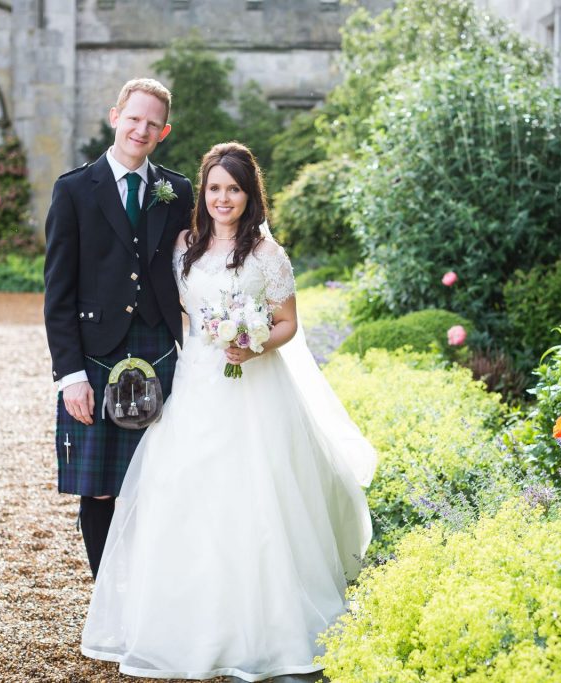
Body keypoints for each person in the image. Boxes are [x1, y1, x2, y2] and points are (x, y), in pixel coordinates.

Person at [80, 142, 376, 681]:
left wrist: (254, 343)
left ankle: (261, 623)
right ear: (204, 192)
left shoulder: (266, 254)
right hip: (196, 381)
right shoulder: (184, 246)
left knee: (255, 492)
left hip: (253, 386)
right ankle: (185, 618)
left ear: (249, 196)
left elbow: (286, 322)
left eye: (233, 189)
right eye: (214, 188)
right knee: (184, 489)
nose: (223, 198)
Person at [43, 78, 194, 579]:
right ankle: (108, 597)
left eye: (152, 123)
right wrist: (70, 376)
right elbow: (58, 294)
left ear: (164, 131)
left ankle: (151, 594)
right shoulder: (73, 190)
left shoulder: (179, 191)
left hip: (161, 350)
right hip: (93, 357)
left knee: (157, 477)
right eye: (133, 118)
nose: (141, 129)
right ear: (115, 117)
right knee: (101, 485)